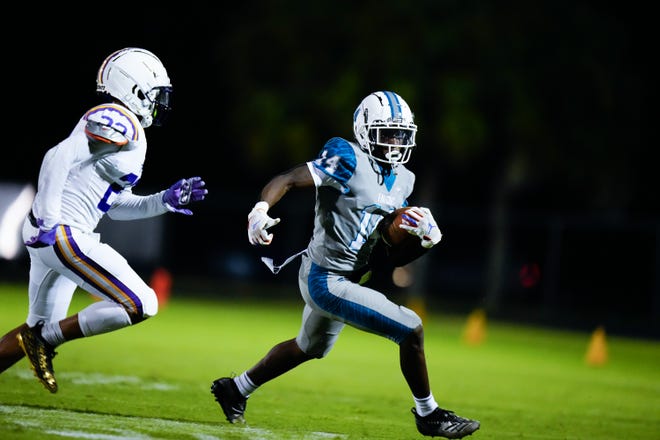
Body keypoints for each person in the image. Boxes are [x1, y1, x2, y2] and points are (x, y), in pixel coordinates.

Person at [210, 91, 480, 438]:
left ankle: (236, 389)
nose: (396, 142)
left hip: (353, 277)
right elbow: (289, 179)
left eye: (401, 134)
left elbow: (389, 255)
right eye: (388, 133)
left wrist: (424, 241)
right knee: (411, 328)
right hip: (325, 277)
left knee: (310, 347)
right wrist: (260, 211)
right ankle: (428, 414)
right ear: (365, 130)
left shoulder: (405, 179)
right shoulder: (347, 157)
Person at [0, 47, 207, 393]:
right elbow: (57, 156)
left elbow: (112, 205)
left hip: (58, 233)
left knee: (32, 330)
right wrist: (50, 218)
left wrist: (162, 202)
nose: (160, 104)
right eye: (156, 95)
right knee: (142, 303)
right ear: (135, 89)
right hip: (63, 232)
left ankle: (42, 337)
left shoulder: (122, 127)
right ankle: (47, 340)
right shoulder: (121, 118)